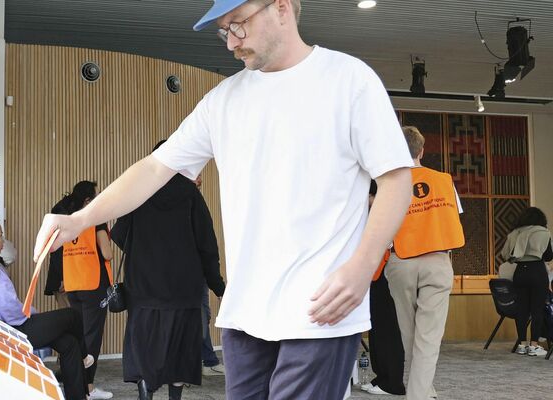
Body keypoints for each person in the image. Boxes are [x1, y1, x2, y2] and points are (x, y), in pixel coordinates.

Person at [33, 0, 414, 398]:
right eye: (224, 30)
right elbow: (154, 169)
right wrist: (80, 219)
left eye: (239, 25)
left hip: (320, 310)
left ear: (282, 7)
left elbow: (396, 180)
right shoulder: (224, 99)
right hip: (245, 313)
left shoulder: (349, 80)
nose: (231, 42)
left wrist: (362, 266)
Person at [111, 141, 225, 400]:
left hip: (143, 290)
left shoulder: (140, 192)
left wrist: (145, 246)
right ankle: (174, 397)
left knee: (145, 347)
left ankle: (145, 389)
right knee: (180, 350)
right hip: (182, 290)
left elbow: (119, 235)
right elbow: (207, 244)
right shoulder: (190, 194)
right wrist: (218, 285)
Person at [0, 215, 94, 400]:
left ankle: (79, 395)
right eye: (0, 235)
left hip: (7, 328)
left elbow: (7, 306)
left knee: (69, 344)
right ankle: (86, 356)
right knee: (72, 315)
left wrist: (30, 313)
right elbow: (10, 309)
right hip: (17, 329)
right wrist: (31, 312)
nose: (3, 240)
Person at [385, 126, 464, 400]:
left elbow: (382, 225)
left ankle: (422, 392)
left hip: (402, 261)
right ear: (422, 150)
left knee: (410, 334)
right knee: (428, 337)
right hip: (437, 260)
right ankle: (420, 394)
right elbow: (454, 216)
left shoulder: (389, 182)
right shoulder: (444, 180)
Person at [46, 181, 114, 400]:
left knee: (79, 338)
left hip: (73, 286)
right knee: (91, 337)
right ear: (88, 200)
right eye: (96, 195)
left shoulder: (68, 222)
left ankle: (77, 387)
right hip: (94, 285)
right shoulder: (96, 220)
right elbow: (107, 253)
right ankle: (89, 389)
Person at [361, 181, 405, 396]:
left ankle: (392, 382)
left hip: (389, 273)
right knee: (376, 327)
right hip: (375, 274)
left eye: (369, 197)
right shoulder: (373, 214)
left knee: (388, 328)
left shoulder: (391, 212)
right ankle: (381, 377)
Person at [501, 207, 553, 357]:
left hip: (520, 272)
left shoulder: (514, 233)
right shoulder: (544, 232)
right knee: (537, 309)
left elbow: (505, 254)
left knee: (522, 310)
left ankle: (522, 344)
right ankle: (534, 345)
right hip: (537, 271)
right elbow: (548, 256)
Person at [192, 174, 226, 377]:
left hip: (198, 273)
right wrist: (219, 286)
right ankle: (205, 361)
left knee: (201, 316)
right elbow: (206, 245)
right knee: (198, 316)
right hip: (194, 274)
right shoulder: (190, 201)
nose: (201, 178)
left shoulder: (191, 199)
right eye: (195, 173)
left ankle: (206, 360)